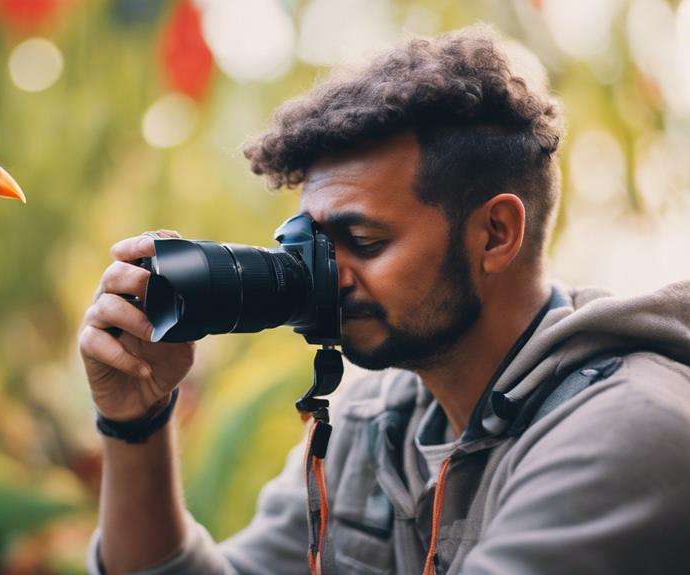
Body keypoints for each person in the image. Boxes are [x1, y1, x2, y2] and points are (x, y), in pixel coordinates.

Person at [78, 25, 690, 575]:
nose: (323, 277)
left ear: (495, 235)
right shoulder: (376, 418)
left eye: (363, 242)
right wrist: (138, 418)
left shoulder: (624, 432)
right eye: (310, 245)